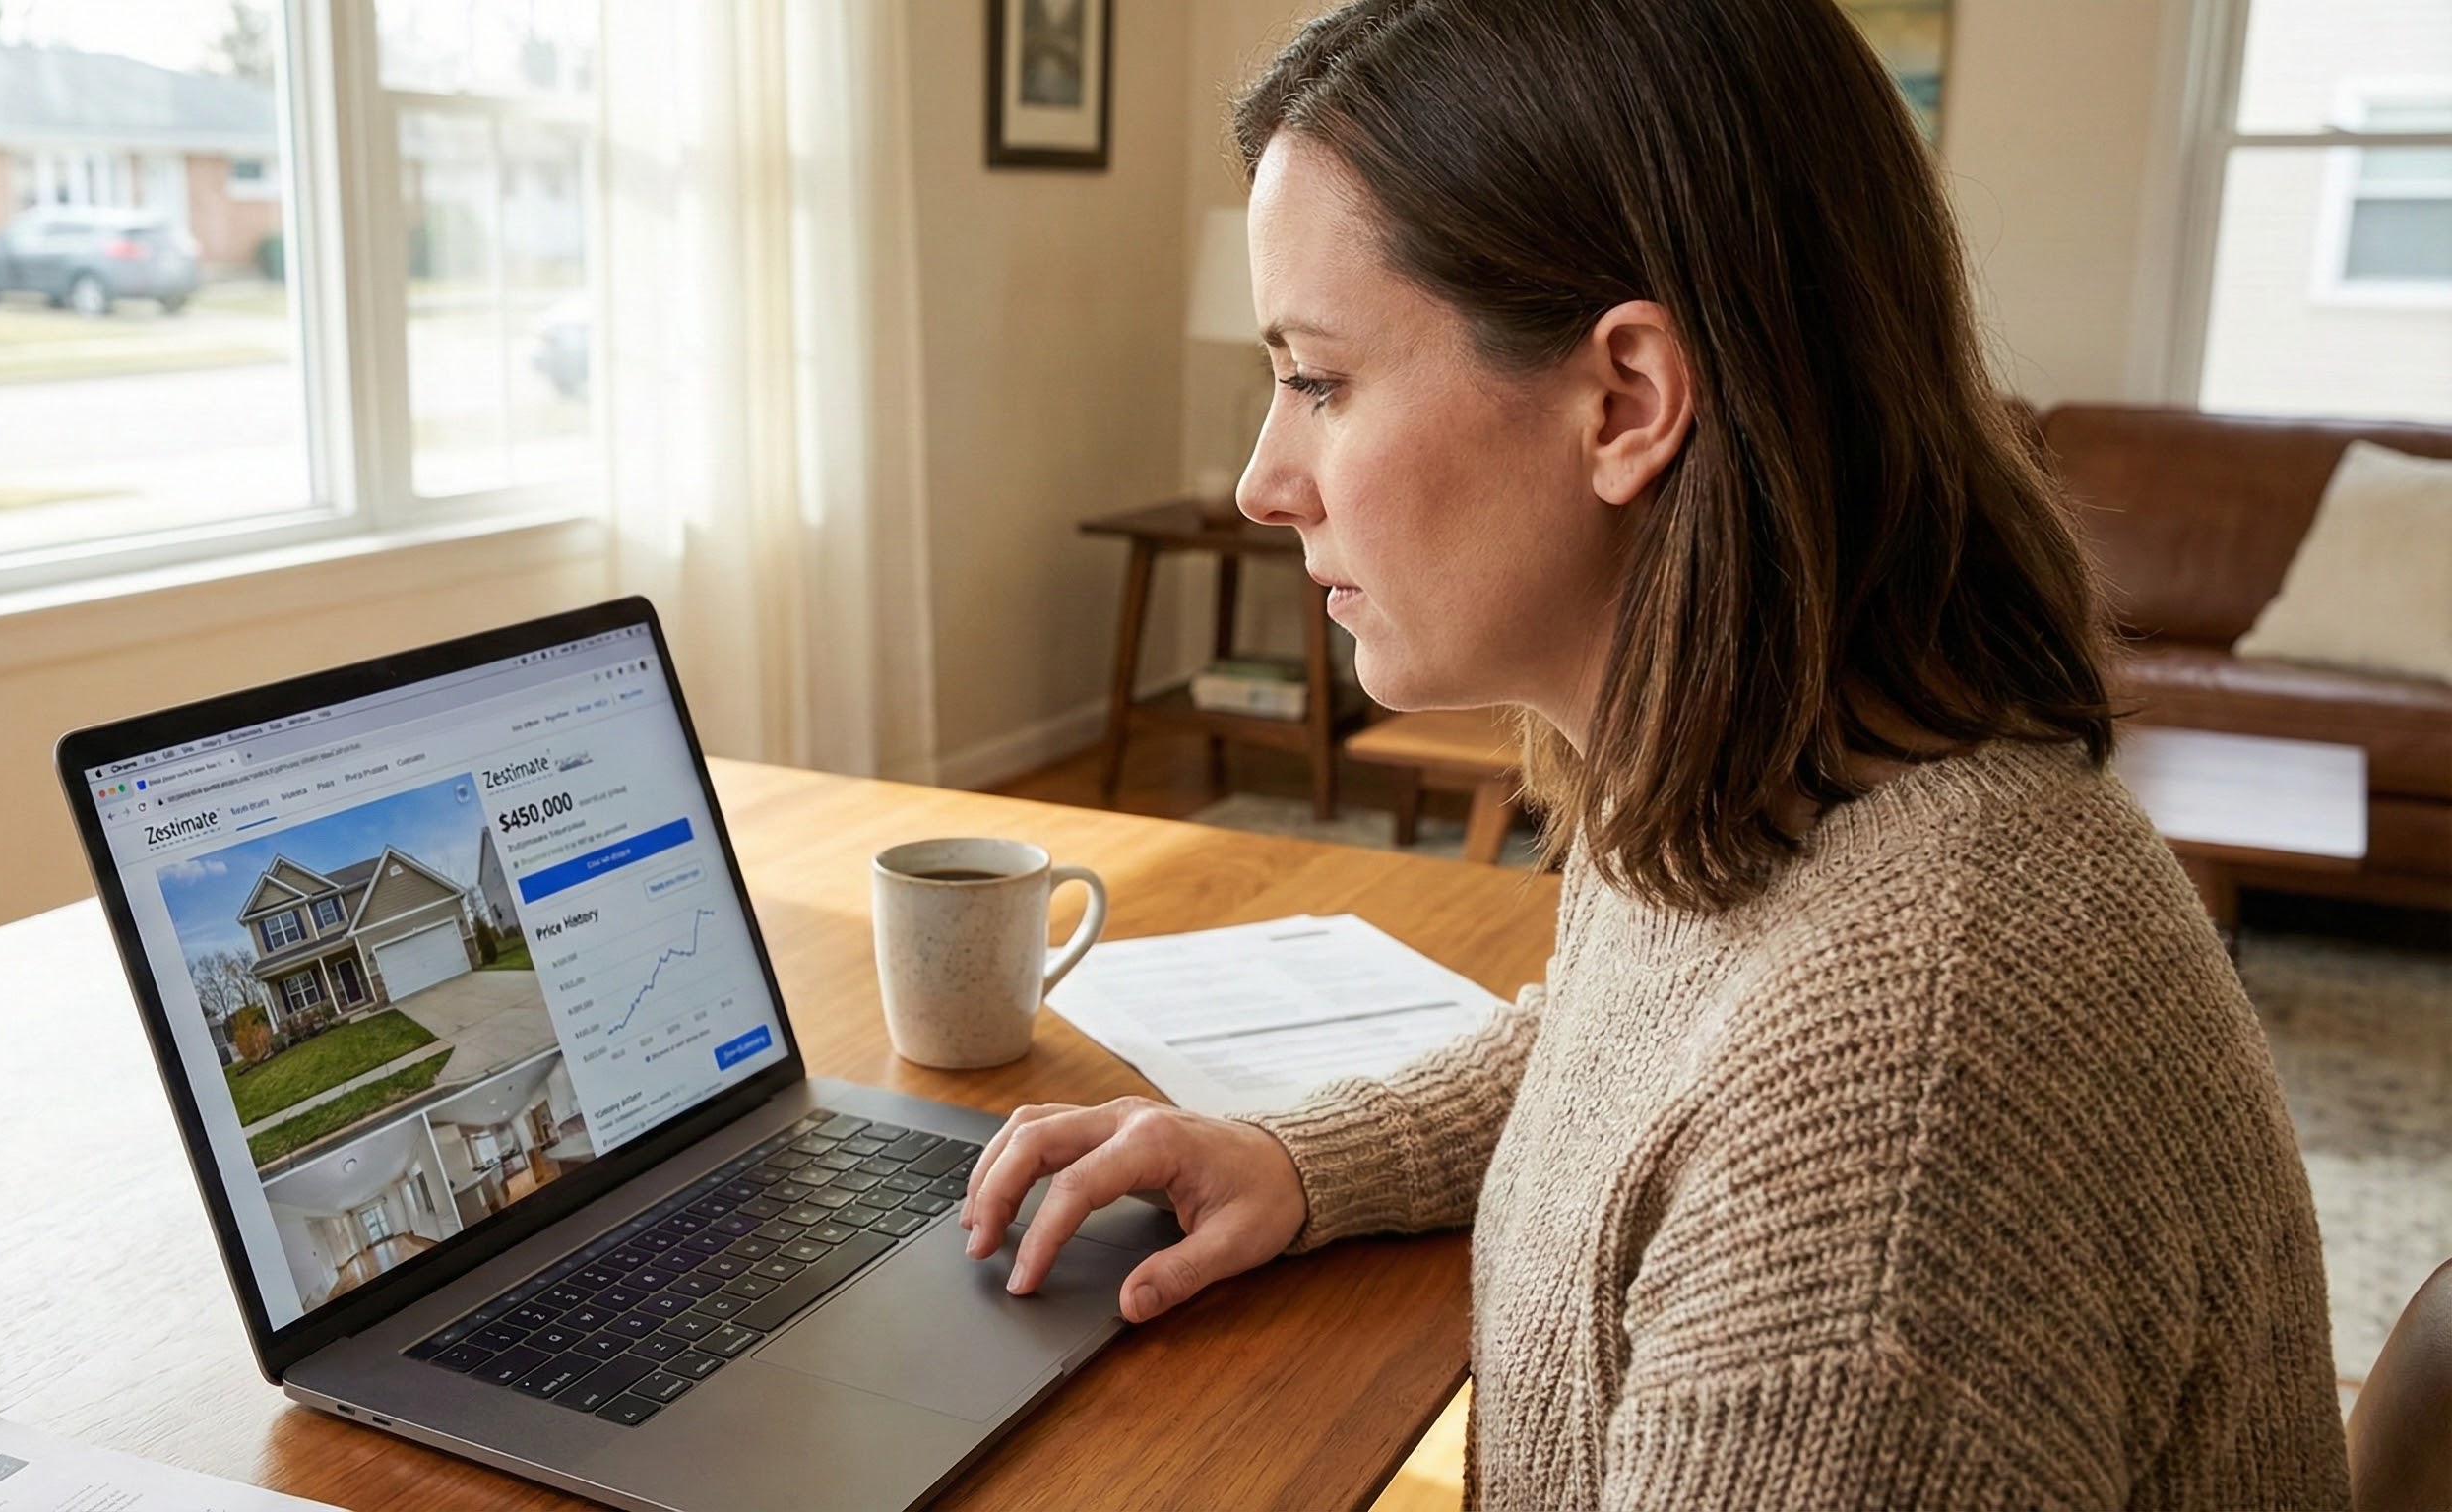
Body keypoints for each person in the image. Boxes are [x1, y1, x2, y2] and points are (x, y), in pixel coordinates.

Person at [957, 0, 2354, 1505]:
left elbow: (1780, 1119)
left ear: (1626, 399)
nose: (1259, 483)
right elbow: (1627, 1056)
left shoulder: (1894, 1122)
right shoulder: (1779, 783)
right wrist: (1297, 1163)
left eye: (1321, 381)